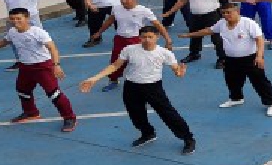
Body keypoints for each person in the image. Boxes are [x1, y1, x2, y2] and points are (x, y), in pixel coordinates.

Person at [80, 26, 194, 154]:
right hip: (131, 86)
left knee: (168, 113)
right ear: (139, 37)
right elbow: (115, 65)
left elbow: (176, 70)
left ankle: (188, 138)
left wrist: (180, 73)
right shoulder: (129, 50)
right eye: (144, 37)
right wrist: (95, 78)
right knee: (136, 114)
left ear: (157, 37)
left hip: (153, 87)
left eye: (150, 37)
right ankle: (147, 133)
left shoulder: (165, 53)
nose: (147, 40)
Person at [0, 8, 78, 131]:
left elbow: (53, 48)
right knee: (22, 90)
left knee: (54, 94)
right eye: (12, 19)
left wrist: (56, 65)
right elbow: (3, 42)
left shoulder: (38, 32)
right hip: (25, 67)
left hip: (42, 67)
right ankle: (31, 113)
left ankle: (69, 118)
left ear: (27, 18)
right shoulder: (12, 32)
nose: (15, 21)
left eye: (19, 18)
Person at [180, 2, 272, 116]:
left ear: (237, 12)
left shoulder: (248, 23)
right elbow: (209, 30)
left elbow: (259, 39)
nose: (226, 15)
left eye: (229, 12)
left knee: (260, 82)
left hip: (250, 58)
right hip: (230, 59)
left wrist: (259, 56)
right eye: (224, 13)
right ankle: (236, 99)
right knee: (232, 81)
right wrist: (189, 35)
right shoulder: (222, 23)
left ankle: (271, 103)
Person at [88, 0, 171, 93]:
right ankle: (113, 80)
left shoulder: (144, 11)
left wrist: (167, 39)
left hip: (136, 40)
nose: (123, 1)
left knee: (138, 61)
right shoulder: (116, 8)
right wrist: (99, 33)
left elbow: (158, 25)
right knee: (115, 60)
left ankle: (141, 81)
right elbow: (109, 21)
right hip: (120, 39)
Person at [163, 0, 236, 67]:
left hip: (212, 15)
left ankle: (222, 58)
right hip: (195, 16)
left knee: (217, 38)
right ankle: (194, 54)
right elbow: (182, 1)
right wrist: (169, 12)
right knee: (194, 36)